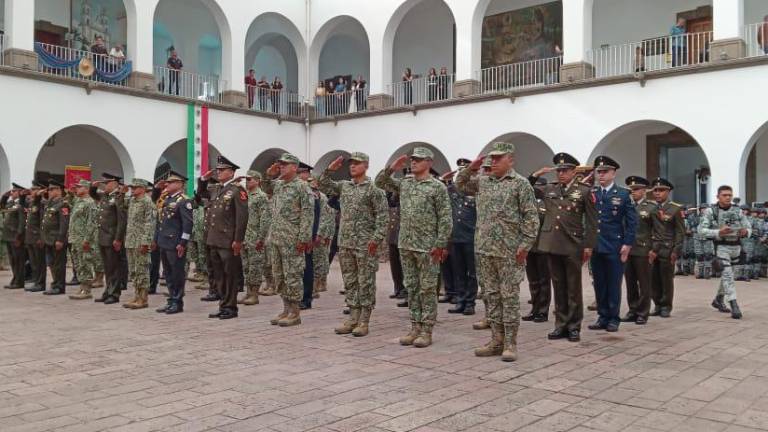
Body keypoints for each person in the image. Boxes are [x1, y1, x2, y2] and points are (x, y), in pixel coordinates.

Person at [456, 142, 539, 362]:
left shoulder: (520, 184)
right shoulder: (483, 182)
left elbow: (531, 218)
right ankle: (496, 340)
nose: (492, 161)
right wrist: (471, 168)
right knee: (491, 296)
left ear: (510, 159)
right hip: (484, 250)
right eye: (491, 158)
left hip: (509, 252)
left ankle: (510, 344)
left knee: (509, 298)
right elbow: (460, 185)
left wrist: (525, 246)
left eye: (498, 158)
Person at [376, 147, 452, 348]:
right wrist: (391, 168)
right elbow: (380, 183)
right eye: (412, 160)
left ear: (429, 163)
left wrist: (440, 244)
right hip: (406, 244)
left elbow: (445, 219)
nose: (414, 163)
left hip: (428, 247)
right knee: (412, 288)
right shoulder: (406, 184)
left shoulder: (437, 187)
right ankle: (414, 327)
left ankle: (426, 330)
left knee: (427, 289)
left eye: (418, 160)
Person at [530, 154, 597, 342]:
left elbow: (592, 222)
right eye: (558, 170)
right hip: (552, 244)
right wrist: (536, 174)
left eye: (565, 170)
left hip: (572, 244)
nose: (561, 173)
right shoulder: (550, 188)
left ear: (574, 171)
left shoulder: (584, 191)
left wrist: (589, 245)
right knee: (558, 286)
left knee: (573, 288)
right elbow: (527, 188)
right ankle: (560, 325)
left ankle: (574, 326)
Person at [319, 152, 388, 337]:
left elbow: (383, 217)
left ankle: (364, 320)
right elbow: (323, 185)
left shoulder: (375, 190)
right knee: (350, 282)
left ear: (366, 165)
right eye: (351, 164)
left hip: (365, 244)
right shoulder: (344, 187)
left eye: (357, 164)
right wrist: (328, 171)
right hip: (346, 243)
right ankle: (352, 317)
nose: (352, 166)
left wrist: (376, 239)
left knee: (365, 282)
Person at [263, 153, 314, 326]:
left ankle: (295, 312)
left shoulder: (302, 187)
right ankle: (285, 308)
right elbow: (265, 188)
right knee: (279, 275)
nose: (281, 167)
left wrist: (304, 238)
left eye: (285, 165)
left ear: (294, 167)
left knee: (293, 275)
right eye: (280, 165)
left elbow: (308, 214)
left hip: (292, 239)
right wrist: (269, 174)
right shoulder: (278, 185)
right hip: (276, 238)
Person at [587, 156, 636, 333]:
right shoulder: (592, 192)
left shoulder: (623, 194)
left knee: (613, 283)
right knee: (599, 283)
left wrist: (627, 244)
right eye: (598, 172)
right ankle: (602, 316)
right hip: (596, 245)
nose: (601, 175)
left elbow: (632, 222)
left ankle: (614, 317)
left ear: (613, 173)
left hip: (615, 245)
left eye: (605, 172)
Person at [198, 157, 248, 320]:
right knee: (219, 275)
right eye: (218, 170)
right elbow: (200, 197)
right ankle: (223, 305)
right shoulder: (217, 189)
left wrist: (238, 240)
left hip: (228, 241)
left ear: (232, 172)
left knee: (230, 275)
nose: (218, 172)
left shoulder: (237, 190)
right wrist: (202, 181)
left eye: (222, 170)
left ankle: (230, 307)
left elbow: (242, 218)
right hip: (214, 240)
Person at [699, 185, 751, 320]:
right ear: (718, 196)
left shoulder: (738, 211)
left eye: (730, 195)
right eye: (724, 195)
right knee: (728, 275)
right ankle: (734, 304)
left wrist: (746, 232)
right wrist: (718, 232)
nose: (728, 197)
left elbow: (748, 226)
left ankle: (718, 299)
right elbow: (701, 231)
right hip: (721, 247)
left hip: (736, 247)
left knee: (728, 276)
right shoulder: (711, 211)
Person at [153, 172, 193, 314]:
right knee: (168, 274)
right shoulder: (167, 199)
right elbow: (161, 221)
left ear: (179, 184)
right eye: (167, 183)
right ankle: (171, 299)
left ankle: (177, 301)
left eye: (170, 183)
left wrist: (182, 242)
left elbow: (187, 224)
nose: (167, 185)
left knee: (177, 273)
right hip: (164, 241)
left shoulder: (184, 201)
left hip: (175, 243)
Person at [444, 159, 478, 315]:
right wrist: (444, 179)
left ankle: (470, 302)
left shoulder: (478, 193)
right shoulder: (454, 193)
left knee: (472, 273)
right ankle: (460, 299)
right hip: (456, 238)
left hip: (471, 238)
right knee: (459, 271)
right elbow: (445, 188)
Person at [648, 178, 684, 318]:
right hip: (653, 248)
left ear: (668, 192)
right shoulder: (650, 208)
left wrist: (676, 250)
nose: (657, 193)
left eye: (661, 190)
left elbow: (680, 231)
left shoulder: (675, 208)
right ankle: (657, 304)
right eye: (655, 190)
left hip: (667, 248)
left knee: (666, 279)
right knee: (653, 278)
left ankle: (666, 306)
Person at [621, 176, 655, 325]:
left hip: (643, 249)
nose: (633, 192)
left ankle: (643, 312)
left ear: (644, 191)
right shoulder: (626, 206)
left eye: (636, 189)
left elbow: (657, 230)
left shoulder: (651, 207)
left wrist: (653, 249)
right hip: (627, 249)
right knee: (630, 282)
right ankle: (632, 310)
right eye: (631, 190)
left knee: (644, 283)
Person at [90, 173, 127, 304]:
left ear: (114, 184)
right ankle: (107, 291)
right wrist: (93, 187)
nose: (104, 185)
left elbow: (122, 221)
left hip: (112, 238)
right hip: (103, 237)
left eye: (107, 183)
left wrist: (118, 239)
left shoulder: (118, 197)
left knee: (114, 267)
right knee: (107, 268)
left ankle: (114, 294)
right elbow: (93, 195)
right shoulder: (105, 196)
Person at [123, 179, 156, 310]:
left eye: (135, 187)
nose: (132, 189)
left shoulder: (148, 203)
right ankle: (136, 296)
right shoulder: (132, 201)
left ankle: (143, 298)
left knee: (142, 269)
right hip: (131, 241)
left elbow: (150, 224)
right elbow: (120, 205)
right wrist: (121, 193)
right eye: (132, 187)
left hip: (140, 242)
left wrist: (145, 242)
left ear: (142, 188)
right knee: (133, 271)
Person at [238, 170, 269, 306]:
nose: (247, 181)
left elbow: (265, 218)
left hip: (255, 237)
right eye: (246, 179)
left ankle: (254, 295)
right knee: (246, 266)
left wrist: (261, 238)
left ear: (257, 181)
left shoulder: (261, 196)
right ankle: (248, 293)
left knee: (255, 267)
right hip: (244, 236)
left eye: (250, 179)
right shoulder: (245, 195)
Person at [522, 177, 550, 323]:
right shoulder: (528, 202)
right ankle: (535, 308)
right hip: (530, 246)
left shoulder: (548, 202)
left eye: (541, 186)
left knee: (544, 280)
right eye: (536, 185)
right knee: (533, 280)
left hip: (543, 247)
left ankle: (543, 311)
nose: (539, 189)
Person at [68, 180, 99, 300]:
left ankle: (87, 289)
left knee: (85, 263)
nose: (77, 189)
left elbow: (91, 223)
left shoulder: (90, 203)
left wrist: (87, 240)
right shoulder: (78, 201)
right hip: (75, 238)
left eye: (79, 187)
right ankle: (82, 287)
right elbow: (70, 203)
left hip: (83, 239)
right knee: (78, 264)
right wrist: (71, 194)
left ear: (86, 189)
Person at [40, 180, 70, 296]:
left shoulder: (63, 204)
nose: (49, 192)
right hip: (49, 239)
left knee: (59, 264)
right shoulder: (50, 204)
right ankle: (55, 283)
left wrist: (60, 239)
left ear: (58, 190)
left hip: (57, 239)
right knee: (52, 264)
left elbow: (64, 224)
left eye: (52, 190)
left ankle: (59, 286)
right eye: (49, 190)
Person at [310, 177, 336, 300]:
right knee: (316, 260)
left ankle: (317, 285)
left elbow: (327, 218)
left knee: (320, 260)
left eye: (313, 182)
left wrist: (322, 234)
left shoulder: (323, 198)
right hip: (311, 233)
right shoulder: (310, 196)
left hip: (320, 234)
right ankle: (316, 284)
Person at [1, 184, 27, 289]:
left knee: (18, 260)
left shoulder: (21, 204)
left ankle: (19, 282)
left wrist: (18, 236)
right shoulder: (10, 203)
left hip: (15, 237)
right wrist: (4, 197)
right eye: (11, 191)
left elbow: (22, 222)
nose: (12, 193)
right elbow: (1, 207)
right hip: (8, 236)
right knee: (12, 260)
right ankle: (15, 279)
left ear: (19, 192)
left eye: (14, 191)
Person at [24, 181, 46, 292]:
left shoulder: (41, 203)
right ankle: (36, 281)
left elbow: (42, 222)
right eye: (31, 190)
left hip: (37, 237)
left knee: (39, 262)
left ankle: (41, 284)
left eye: (33, 190)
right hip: (30, 237)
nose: (31, 192)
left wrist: (41, 237)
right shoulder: (32, 203)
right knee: (33, 262)